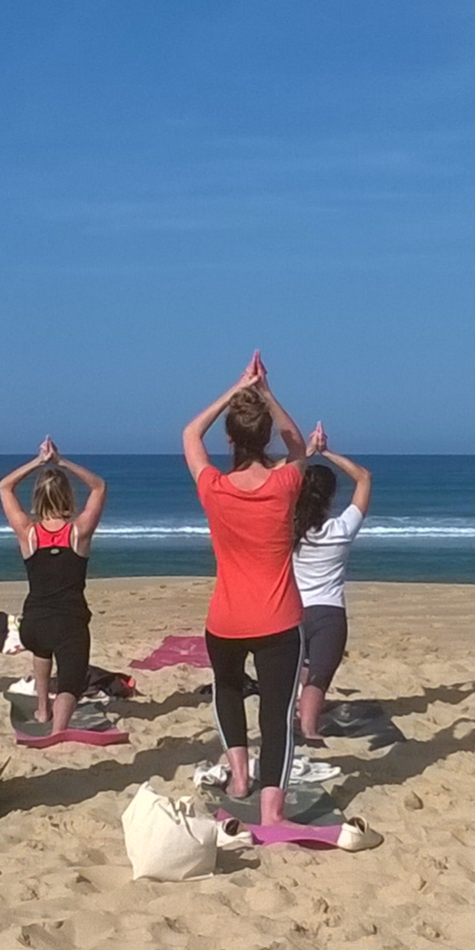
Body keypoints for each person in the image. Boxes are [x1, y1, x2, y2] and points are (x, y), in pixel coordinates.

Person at [182, 351, 308, 825]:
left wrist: (234, 392)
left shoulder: (214, 486)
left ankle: (239, 778)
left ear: (230, 438)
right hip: (278, 621)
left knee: (228, 691)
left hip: (226, 620)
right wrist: (267, 394)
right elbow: (299, 446)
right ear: (266, 434)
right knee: (276, 714)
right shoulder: (286, 481)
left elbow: (190, 434)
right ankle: (271, 809)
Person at [0, 438, 108, 734]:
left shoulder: (28, 533)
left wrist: (37, 462)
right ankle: (59, 729)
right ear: (68, 497)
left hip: (33, 624)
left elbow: (4, 486)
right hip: (70, 622)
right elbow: (99, 487)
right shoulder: (78, 532)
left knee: (43, 649)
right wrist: (60, 462)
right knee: (71, 680)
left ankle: (43, 710)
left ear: (37, 498)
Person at [291, 423, 371, 742]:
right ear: (329, 498)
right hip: (328, 613)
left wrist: (306, 454)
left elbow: (274, 480)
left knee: (305, 670)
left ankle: (303, 712)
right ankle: (309, 730)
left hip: (291, 610)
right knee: (319, 678)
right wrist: (328, 453)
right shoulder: (340, 530)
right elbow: (364, 477)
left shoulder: (287, 529)